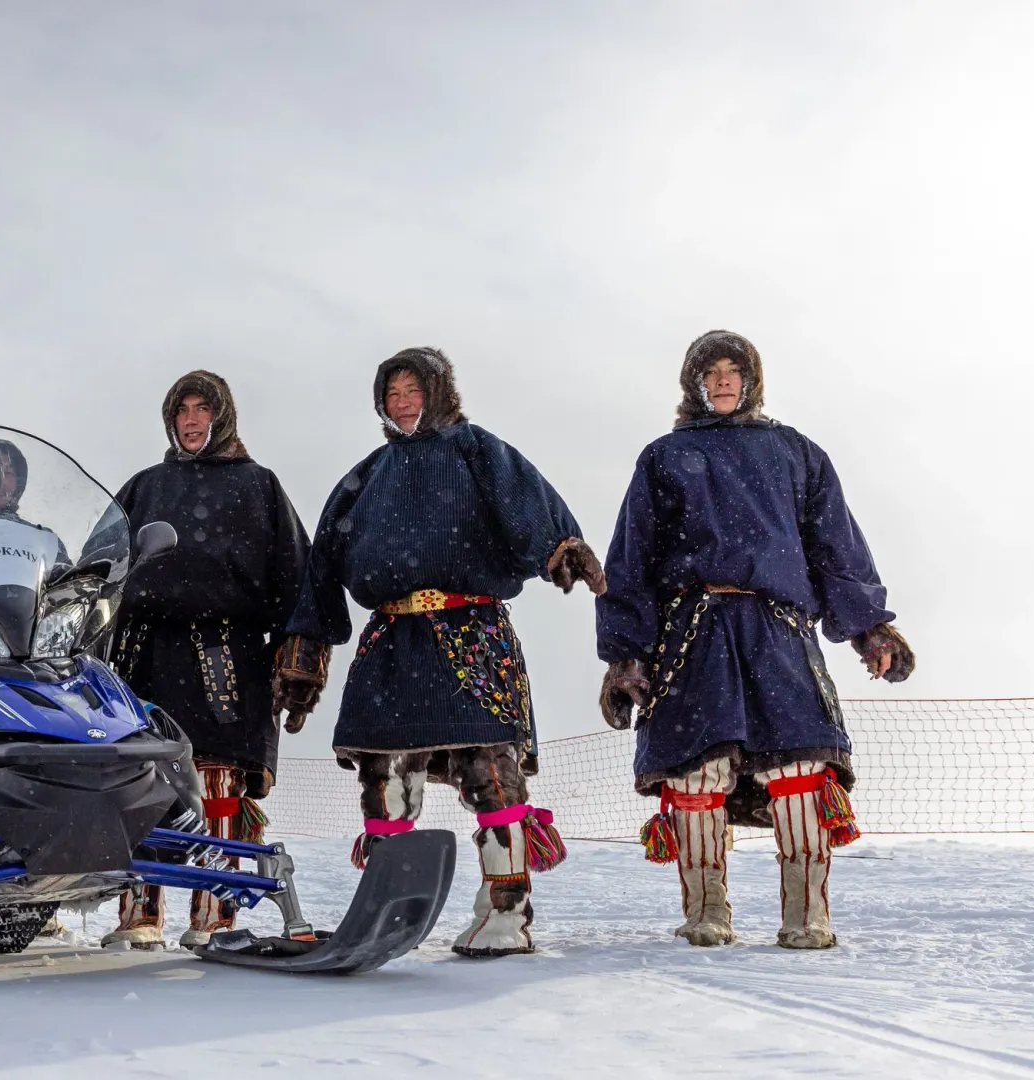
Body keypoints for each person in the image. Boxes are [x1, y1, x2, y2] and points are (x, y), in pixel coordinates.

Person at [595, 330, 915, 950]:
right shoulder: (663, 457)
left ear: (751, 381)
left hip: (778, 628)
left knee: (799, 769)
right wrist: (626, 656)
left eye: (731, 371)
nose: (720, 381)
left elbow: (835, 546)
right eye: (709, 372)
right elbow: (630, 560)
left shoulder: (794, 452)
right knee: (695, 775)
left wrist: (870, 627)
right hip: (692, 633)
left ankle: (805, 913)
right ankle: (708, 910)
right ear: (693, 384)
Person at [282, 348, 605, 957]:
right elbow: (321, 568)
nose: (402, 403)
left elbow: (529, 503)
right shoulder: (365, 476)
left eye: (413, 390)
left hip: (471, 632)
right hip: (392, 639)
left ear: (438, 393)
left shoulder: (477, 450)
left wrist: (560, 547)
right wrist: (305, 657)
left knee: (491, 773)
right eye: (392, 394)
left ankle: (504, 916)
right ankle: (387, 912)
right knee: (384, 779)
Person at [100, 371, 318, 949]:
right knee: (143, 776)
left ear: (223, 417)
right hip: (141, 654)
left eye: (203, 410)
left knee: (216, 782)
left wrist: (300, 660)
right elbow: (99, 571)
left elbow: (300, 580)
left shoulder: (259, 486)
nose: (192, 421)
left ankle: (215, 915)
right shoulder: (144, 487)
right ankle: (140, 916)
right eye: (183, 412)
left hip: (226, 655)